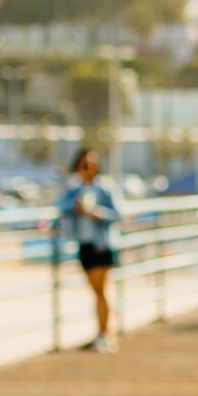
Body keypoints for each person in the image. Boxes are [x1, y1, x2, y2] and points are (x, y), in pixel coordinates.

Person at [57, 148, 122, 352]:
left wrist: (98, 213)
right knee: (97, 292)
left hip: (102, 245)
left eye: (90, 165)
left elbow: (118, 214)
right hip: (85, 245)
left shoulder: (105, 188)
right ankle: (103, 333)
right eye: (83, 165)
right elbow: (60, 207)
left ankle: (106, 335)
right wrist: (74, 207)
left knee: (101, 292)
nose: (87, 169)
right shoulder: (74, 190)